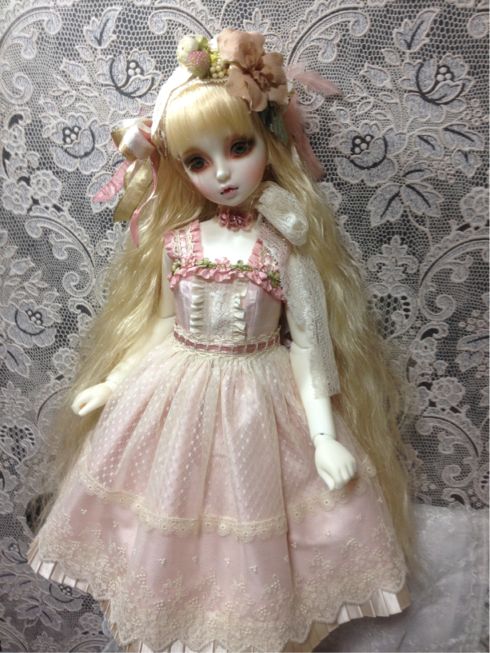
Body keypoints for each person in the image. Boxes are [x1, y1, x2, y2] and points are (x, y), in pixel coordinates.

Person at [27, 28, 411, 653]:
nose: (223, 173)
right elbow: (159, 323)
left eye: (238, 147)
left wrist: (322, 437)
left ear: (269, 141)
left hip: (261, 399)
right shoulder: (177, 242)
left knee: (255, 530)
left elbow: (309, 344)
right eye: (198, 162)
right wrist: (114, 381)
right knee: (165, 527)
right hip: (170, 392)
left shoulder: (283, 246)